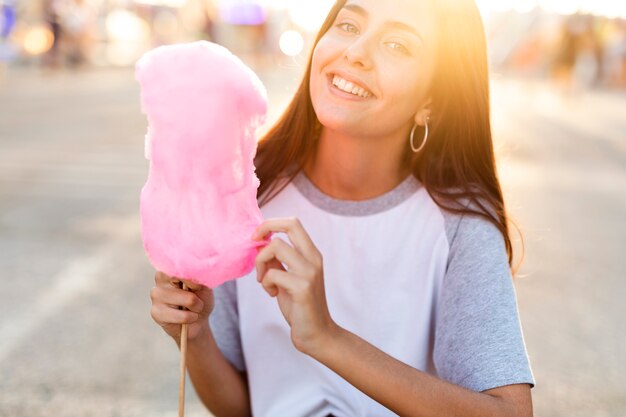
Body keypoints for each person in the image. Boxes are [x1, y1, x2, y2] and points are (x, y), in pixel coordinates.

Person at [149, 0, 536, 416]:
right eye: (349, 25)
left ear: (433, 101)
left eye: (397, 45)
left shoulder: (458, 225)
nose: (356, 52)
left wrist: (328, 338)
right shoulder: (242, 189)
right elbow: (240, 408)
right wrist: (196, 333)